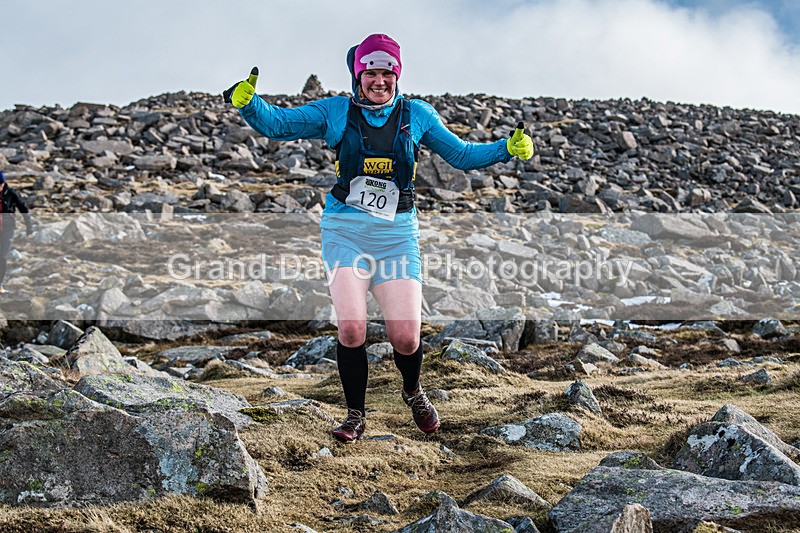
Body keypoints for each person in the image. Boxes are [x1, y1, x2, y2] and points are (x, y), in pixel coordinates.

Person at [226, 34, 533, 442]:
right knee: (352, 329)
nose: (379, 80)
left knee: (406, 337)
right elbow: (280, 125)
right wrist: (249, 102)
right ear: (359, 74)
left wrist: (506, 148)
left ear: (397, 75)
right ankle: (355, 415)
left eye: (387, 72)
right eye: (371, 72)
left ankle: (414, 392)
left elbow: (461, 155)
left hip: (396, 236)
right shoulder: (335, 111)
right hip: (345, 231)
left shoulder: (417, 114)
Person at [0, 172, 33, 294]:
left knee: (2, 257)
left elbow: (23, 208)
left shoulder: (11, 193)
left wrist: (29, 226)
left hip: (8, 229)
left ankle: (0, 284)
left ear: (3, 184)